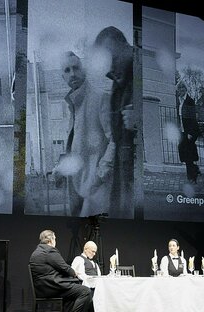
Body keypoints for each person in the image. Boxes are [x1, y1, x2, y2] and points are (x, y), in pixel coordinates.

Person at [53, 51, 115, 217]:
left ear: (84, 70)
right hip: (75, 187)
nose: (72, 74)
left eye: (76, 68)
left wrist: (99, 175)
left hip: (95, 188)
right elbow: (75, 147)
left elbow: (114, 140)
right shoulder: (72, 102)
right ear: (62, 77)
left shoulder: (101, 98)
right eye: (67, 70)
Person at [93, 26, 135, 219]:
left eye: (111, 57)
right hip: (122, 175)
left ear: (124, 46)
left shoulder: (138, 75)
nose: (109, 68)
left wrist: (139, 118)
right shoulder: (119, 81)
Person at [29, 230, 92, 312]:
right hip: (52, 287)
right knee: (85, 291)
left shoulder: (36, 252)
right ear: (50, 240)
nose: (55, 241)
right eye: (55, 239)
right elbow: (65, 268)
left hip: (41, 289)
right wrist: (74, 272)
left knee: (72, 295)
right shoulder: (50, 251)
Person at [176, 81, 201, 183]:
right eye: (179, 89)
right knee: (184, 152)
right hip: (182, 132)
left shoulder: (189, 100)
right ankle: (195, 169)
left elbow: (192, 119)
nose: (181, 90)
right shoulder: (180, 101)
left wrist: (190, 133)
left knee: (189, 155)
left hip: (189, 132)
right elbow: (180, 118)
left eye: (183, 88)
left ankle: (192, 177)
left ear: (185, 89)